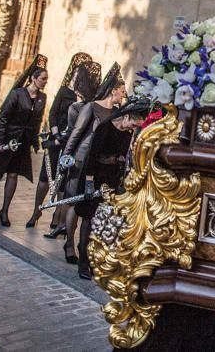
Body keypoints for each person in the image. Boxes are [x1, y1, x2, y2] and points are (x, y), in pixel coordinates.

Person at [59, 63, 125, 278]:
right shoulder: (91, 107)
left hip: (100, 165)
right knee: (76, 203)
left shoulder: (117, 113)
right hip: (82, 160)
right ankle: (69, 243)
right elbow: (76, 134)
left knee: (89, 209)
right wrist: (66, 157)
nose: (124, 96)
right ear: (113, 90)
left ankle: (85, 251)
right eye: (122, 91)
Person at [0, 66, 48, 227]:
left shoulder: (42, 98)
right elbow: (3, 118)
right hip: (8, 139)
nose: (45, 82)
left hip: (22, 143)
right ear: (33, 78)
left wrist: (35, 142)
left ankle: (4, 210)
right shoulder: (17, 94)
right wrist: (0, 142)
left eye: (46, 79)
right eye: (43, 79)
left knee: (13, 175)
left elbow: (37, 121)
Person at [35, 53, 94, 235]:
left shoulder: (87, 98)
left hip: (72, 142)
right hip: (58, 137)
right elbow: (52, 114)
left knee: (64, 182)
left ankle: (58, 218)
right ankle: (36, 212)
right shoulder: (64, 91)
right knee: (47, 175)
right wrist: (56, 134)